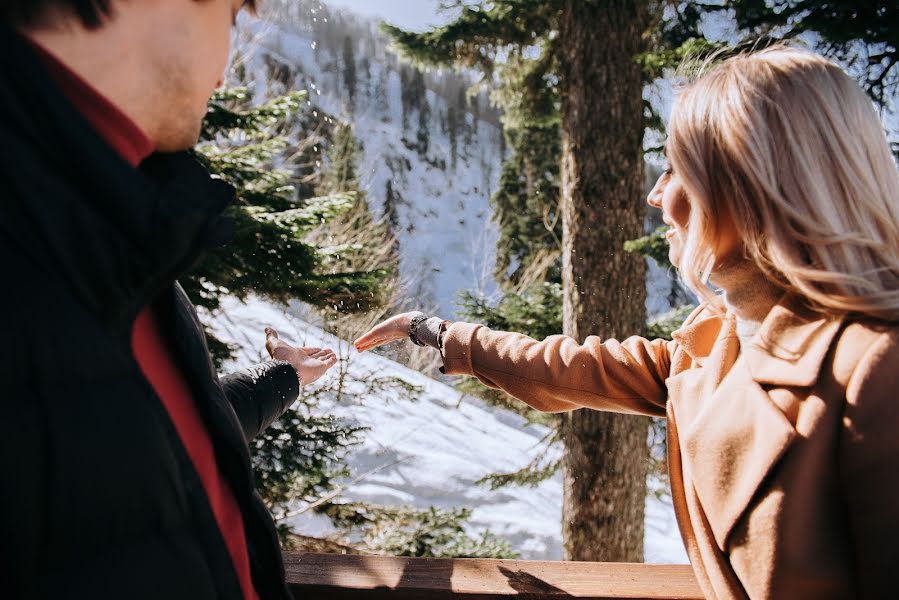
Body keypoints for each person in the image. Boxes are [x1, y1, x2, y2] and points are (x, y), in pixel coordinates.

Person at [355, 47, 899, 599]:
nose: (655, 194)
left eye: (676, 170)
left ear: (751, 186)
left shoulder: (878, 372)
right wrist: (434, 331)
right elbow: (577, 368)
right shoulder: (716, 341)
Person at [0, 1, 337, 598]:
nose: (223, 70)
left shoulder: (106, 223)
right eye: (230, 18)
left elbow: (134, 442)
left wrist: (282, 378)